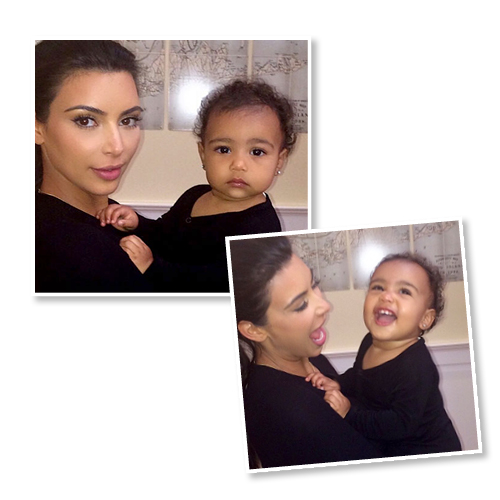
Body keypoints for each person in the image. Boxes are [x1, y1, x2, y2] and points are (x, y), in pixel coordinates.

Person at [97, 79, 295, 293]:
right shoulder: (195, 196)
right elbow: (164, 234)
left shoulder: (261, 229)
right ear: (203, 154)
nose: (238, 164)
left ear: (279, 161)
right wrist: (137, 224)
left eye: (257, 152)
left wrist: (153, 268)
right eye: (224, 149)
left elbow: (218, 284)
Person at [229, 235, 381, 469]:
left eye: (313, 284)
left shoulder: (308, 358)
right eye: (300, 304)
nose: (325, 305)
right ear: (254, 330)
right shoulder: (288, 409)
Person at [307, 252, 462, 458]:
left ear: (425, 319)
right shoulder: (369, 341)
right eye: (378, 287)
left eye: (404, 291)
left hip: (427, 450)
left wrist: (349, 413)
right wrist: (338, 383)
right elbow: (359, 376)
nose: (386, 296)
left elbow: (399, 424)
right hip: (389, 444)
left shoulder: (416, 367)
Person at [35, 40, 158, 292]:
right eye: (86, 121)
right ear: (36, 127)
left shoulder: (112, 219)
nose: (117, 147)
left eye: (128, 120)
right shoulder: (71, 254)